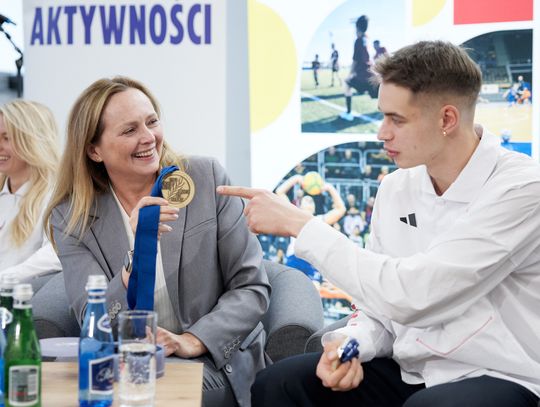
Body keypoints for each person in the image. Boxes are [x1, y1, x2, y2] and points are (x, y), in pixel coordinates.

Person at [218, 41, 540, 406]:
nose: (382, 132)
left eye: (396, 120)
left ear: (447, 119)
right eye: (383, 116)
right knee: (279, 383)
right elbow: (378, 306)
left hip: (502, 375)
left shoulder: (521, 188)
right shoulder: (396, 186)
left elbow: (417, 295)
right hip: (413, 370)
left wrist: (302, 225)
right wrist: (351, 345)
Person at [45, 77, 270, 407]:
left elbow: (251, 287)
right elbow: (94, 319)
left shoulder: (204, 177)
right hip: (126, 362)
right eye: (129, 130)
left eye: (152, 122)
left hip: (211, 358)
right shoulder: (71, 217)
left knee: (149, 394)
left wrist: (191, 340)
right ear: (94, 150)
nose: (148, 137)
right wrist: (137, 252)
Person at [0, 100, 62, 281]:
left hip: (18, 295)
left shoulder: (55, 196)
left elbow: (56, 253)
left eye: (6, 138)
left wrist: (5, 279)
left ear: (31, 141)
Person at [276, 174, 345, 284]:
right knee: (292, 288)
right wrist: (296, 178)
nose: (309, 202)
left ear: (314, 208)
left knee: (315, 289)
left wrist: (329, 188)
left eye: (311, 201)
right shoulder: (294, 216)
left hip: (312, 261)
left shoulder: (320, 220)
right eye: (306, 200)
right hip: (295, 258)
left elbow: (341, 209)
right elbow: (279, 192)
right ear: (300, 205)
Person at [340, 15, 378, 122]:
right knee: (378, 94)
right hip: (371, 73)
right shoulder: (368, 39)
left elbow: (355, 60)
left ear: (357, 28)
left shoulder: (358, 41)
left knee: (346, 84)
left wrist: (350, 74)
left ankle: (348, 113)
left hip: (363, 74)